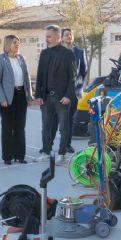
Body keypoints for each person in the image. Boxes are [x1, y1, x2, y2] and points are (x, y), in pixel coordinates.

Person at [34, 24, 76, 165]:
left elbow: (72, 77)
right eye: (46, 36)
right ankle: (46, 152)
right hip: (46, 97)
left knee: (63, 127)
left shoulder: (68, 54)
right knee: (46, 126)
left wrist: (68, 96)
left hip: (62, 98)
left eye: (49, 36)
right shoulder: (44, 54)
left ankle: (62, 154)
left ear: (57, 36)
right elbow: (40, 75)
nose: (46, 39)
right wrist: (38, 95)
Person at [0, 35, 33, 165]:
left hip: (20, 95)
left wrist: (29, 96)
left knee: (20, 126)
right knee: (7, 127)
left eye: (18, 42)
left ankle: (20, 155)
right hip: (7, 97)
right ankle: (7, 157)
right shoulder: (1, 59)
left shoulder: (21, 58)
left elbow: (27, 78)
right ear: (8, 44)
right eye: (15, 42)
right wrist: (1, 98)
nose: (17, 45)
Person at [61, 28, 87, 154]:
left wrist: (77, 83)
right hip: (61, 91)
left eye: (70, 34)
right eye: (66, 35)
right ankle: (53, 143)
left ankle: (67, 144)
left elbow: (84, 70)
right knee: (61, 118)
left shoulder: (80, 52)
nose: (69, 36)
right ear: (62, 38)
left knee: (70, 119)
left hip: (74, 91)